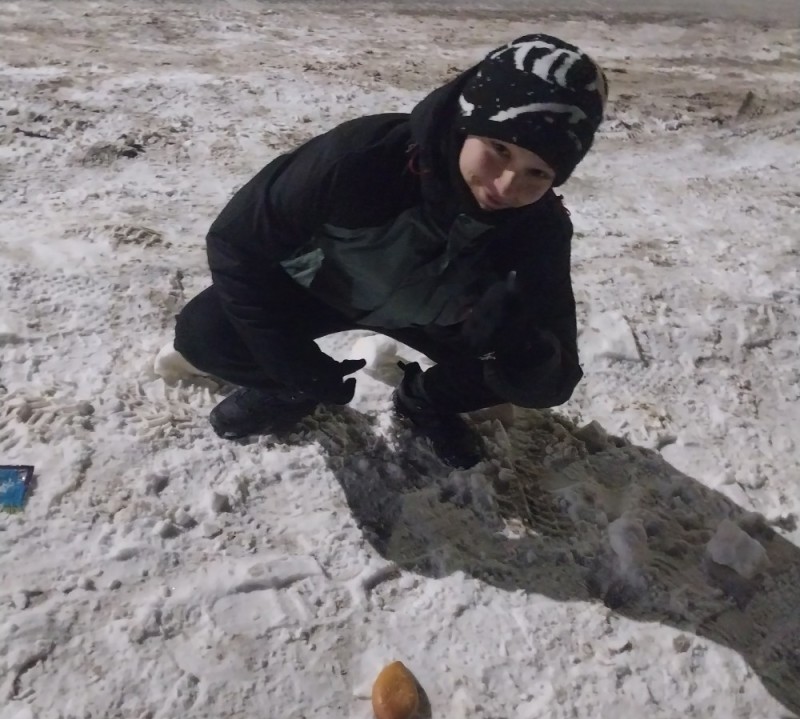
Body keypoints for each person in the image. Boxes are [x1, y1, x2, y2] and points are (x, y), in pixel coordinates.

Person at [173, 33, 607, 468]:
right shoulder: (363, 157)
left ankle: (423, 401)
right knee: (206, 333)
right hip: (324, 288)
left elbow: (558, 375)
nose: (506, 186)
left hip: (434, 317)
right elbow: (236, 243)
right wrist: (293, 365)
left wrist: (521, 345)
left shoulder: (540, 227)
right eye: (498, 149)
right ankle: (289, 394)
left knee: (523, 376)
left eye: (537, 172)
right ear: (467, 120)